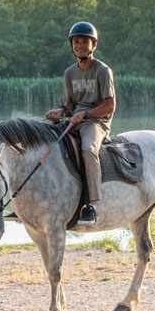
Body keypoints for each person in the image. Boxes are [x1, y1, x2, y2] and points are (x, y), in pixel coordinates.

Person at [44, 21, 116, 225]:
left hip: (96, 122)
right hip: (75, 120)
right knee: (44, 142)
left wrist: (85, 114)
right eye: (76, 42)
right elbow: (70, 105)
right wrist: (60, 112)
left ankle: (92, 205)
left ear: (94, 45)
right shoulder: (69, 73)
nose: (80, 45)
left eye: (85, 41)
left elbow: (109, 106)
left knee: (88, 150)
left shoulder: (102, 70)